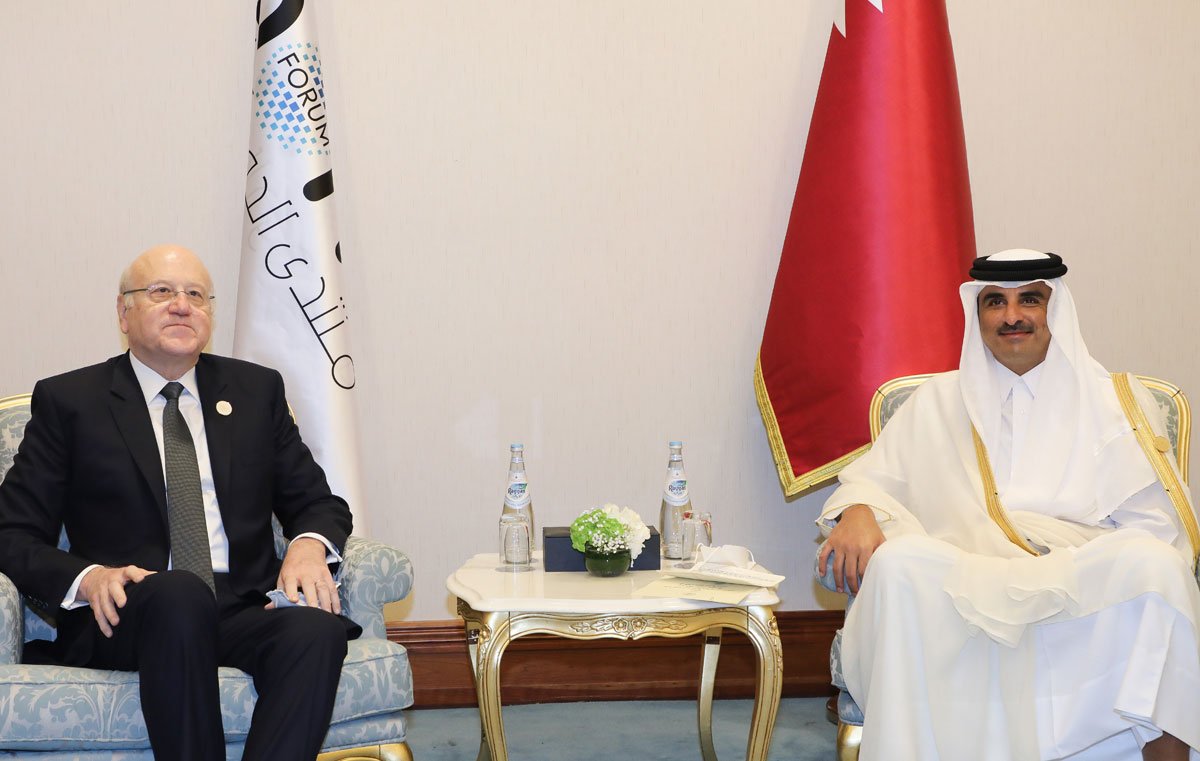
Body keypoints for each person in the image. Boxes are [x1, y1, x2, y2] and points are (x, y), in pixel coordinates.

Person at [817, 250, 1200, 761]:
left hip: (1077, 579)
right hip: (965, 578)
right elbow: (872, 482)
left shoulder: (1117, 401)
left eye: (1030, 300)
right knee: (898, 564)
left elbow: (1158, 524)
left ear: (1055, 309)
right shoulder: (935, 402)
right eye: (995, 302)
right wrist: (859, 510)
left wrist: (1078, 564)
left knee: (1155, 567)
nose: (1012, 316)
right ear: (977, 314)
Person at [0, 244, 357, 761]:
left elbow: (319, 502)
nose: (182, 305)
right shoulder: (71, 401)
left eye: (196, 294)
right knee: (179, 594)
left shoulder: (255, 391)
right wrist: (90, 578)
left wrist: (306, 545)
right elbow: (11, 533)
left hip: (240, 603)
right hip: (128, 610)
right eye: (162, 291)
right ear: (124, 312)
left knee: (315, 630)